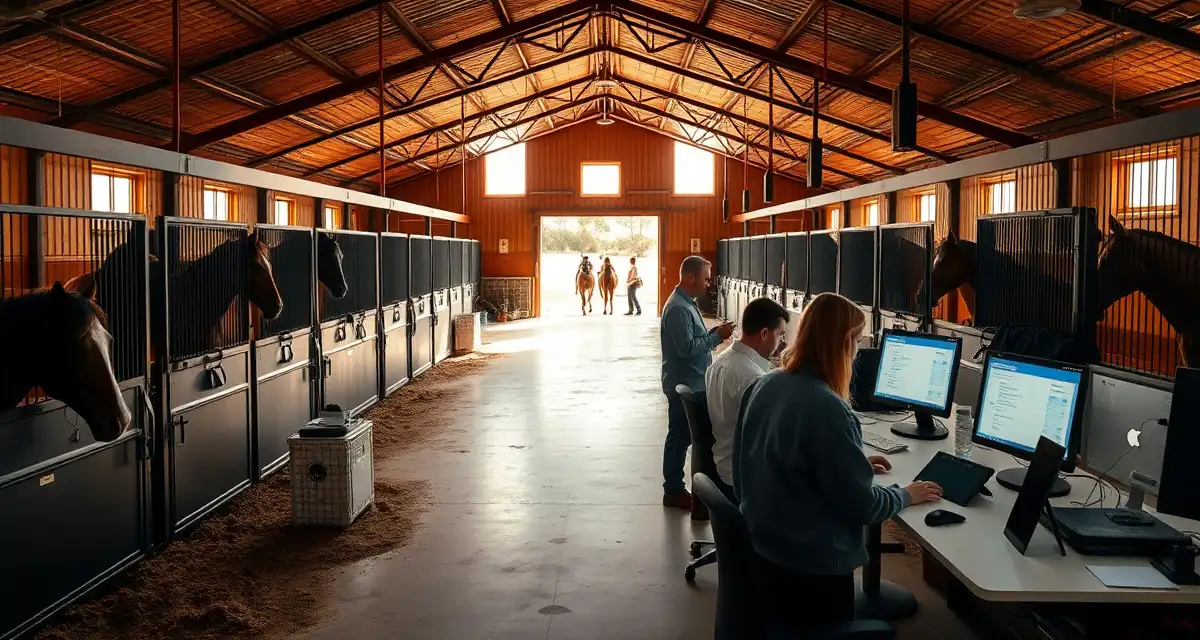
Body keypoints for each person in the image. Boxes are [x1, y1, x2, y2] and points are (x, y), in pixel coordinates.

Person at [735, 292, 942, 628]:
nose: (858, 351)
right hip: (814, 572)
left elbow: (755, 469)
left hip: (765, 554)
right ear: (844, 343)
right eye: (858, 341)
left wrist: (852, 463)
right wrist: (906, 494)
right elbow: (863, 506)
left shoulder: (764, 384)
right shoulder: (829, 408)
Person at [660, 255, 735, 510]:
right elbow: (686, 348)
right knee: (679, 439)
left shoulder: (686, 303)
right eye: (705, 279)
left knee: (684, 438)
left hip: (693, 381)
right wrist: (717, 338)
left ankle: (681, 488)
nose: (708, 284)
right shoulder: (679, 308)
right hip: (685, 384)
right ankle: (673, 490)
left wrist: (714, 333)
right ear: (690, 277)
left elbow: (694, 338)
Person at [704, 297, 788, 499]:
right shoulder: (751, 377)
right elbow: (772, 438)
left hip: (723, 463)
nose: (781, 343)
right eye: (780, 335)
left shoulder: (721, 360)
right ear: (764, 333)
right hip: (744, 476)